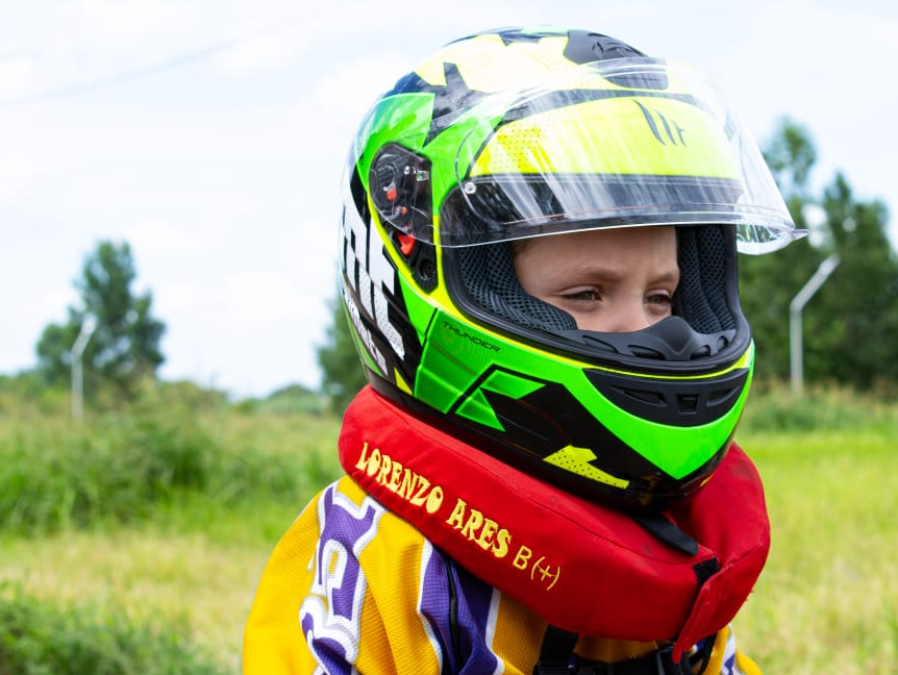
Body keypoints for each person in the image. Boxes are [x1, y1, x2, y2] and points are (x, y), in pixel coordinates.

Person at [243, 26, 806, 675]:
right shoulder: (378, 563)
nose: (653, 332)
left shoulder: (668, 549)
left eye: (662, 296)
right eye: (589, 293)